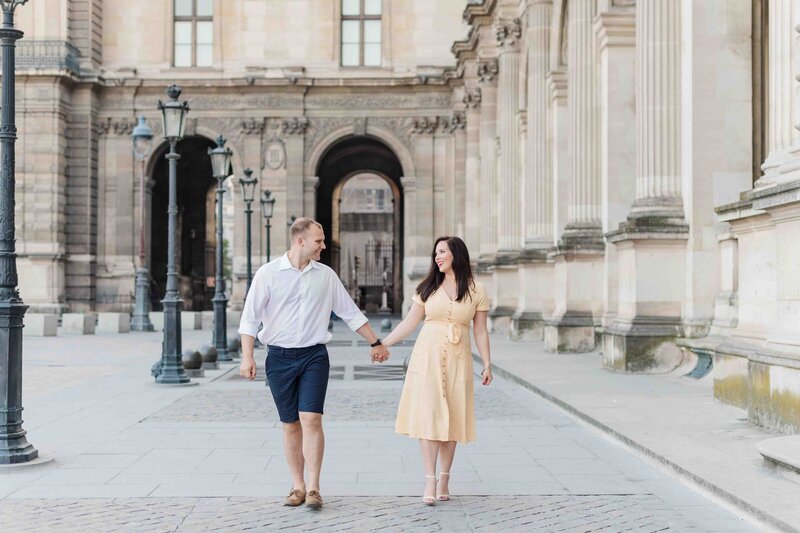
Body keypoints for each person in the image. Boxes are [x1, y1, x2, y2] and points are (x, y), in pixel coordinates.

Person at [238, 217, 390, 510]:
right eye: (319, 241)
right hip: (279, 358)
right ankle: (297, 486)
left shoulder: (326, 276)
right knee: (290, 424)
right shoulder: (268, 274)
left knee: (311, 419)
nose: (323, 245)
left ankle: (315, 488)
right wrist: (248, 356)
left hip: (314, 357)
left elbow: (350, 312)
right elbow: (250, 318)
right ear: (300, 241)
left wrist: (376, 342)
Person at [381, 236, 492, 505]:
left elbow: (479, 329)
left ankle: (445, 477)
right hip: (427, 358)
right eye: (435, 253)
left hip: (459, 359)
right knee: (429, 415)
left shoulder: (476, 290)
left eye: (442, 251)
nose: (437, 257)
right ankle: (429, 479)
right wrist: (382, 344)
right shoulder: (427, 288)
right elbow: (409, 322)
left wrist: (487, 363)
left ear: (456, 253)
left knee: (452, 417)